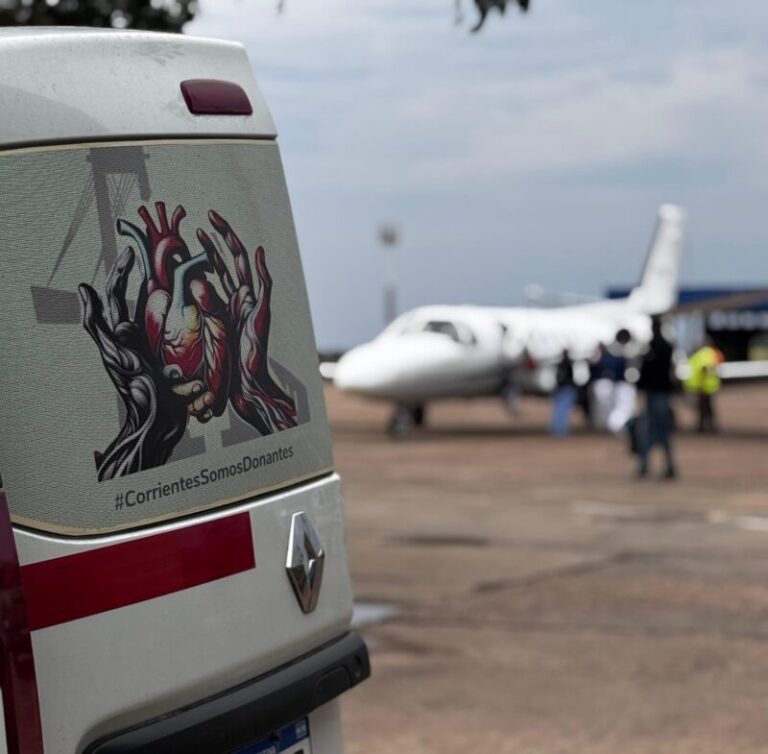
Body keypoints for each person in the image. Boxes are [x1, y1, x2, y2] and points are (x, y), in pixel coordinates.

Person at [636, 317, 677, 479]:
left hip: (656, 394)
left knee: (650, 431)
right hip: (658, 393)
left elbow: (647, 371)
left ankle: (647, 466)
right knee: (661, 432)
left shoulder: (656, 348)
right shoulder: (663, 347)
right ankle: (663, 466)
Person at [684, 339, 723, 432]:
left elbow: (704, 368)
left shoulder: (703, 354)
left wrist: (701, 384)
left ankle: (704, 426)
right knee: (707, 407)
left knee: (703, 407)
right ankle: (708, 426)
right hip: (709, 385)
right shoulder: (711, 353)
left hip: (704, 386)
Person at [551, 350, 577, 436]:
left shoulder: (564, 366)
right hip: (564, 389)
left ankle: (560, 430)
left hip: (564, 389)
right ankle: (559, 430)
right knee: (561, 411)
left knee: (560, 411)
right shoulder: (565, 365)